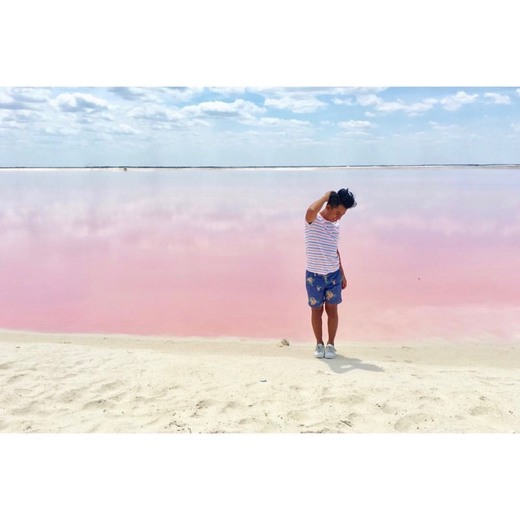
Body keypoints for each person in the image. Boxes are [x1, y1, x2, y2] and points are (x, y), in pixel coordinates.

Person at [304, 188, 357, 359]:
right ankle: (319, 344)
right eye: (337, 212)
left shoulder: (336, 227)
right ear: (329, 206)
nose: (338, 217)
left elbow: (335, 250)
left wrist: (342, 273)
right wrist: (326, 196)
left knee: (332, 310)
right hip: (314, 276)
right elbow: (311, 211)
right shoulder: (313, 221)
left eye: (342, 215)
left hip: (333, 275)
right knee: (316, 310)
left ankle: (331, 344)